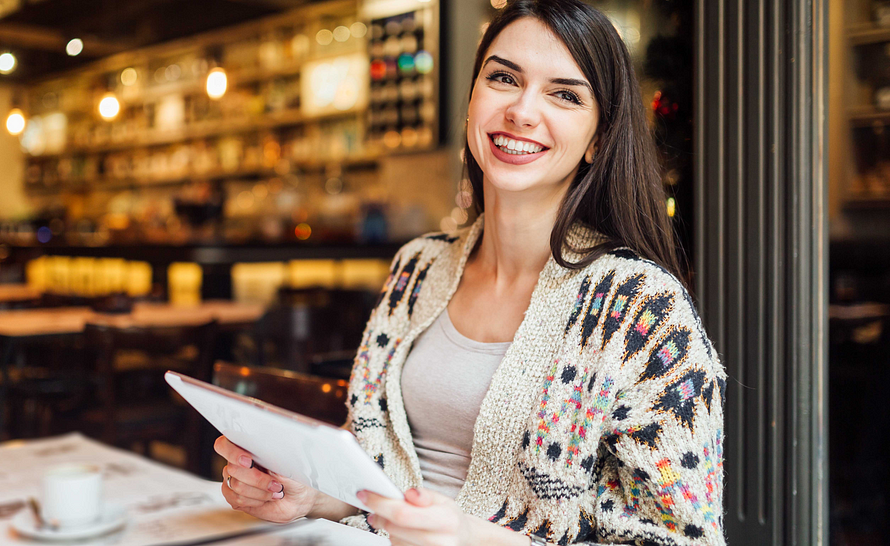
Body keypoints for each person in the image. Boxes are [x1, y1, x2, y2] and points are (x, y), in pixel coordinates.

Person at [214, 0, 726, 544]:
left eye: (565, 94)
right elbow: (383, 480)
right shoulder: (418, 266)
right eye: (504, 78)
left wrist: (466, 535)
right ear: (472, 99)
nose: (523, 111)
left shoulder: (642, 308)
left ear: (599, 139)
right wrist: (316, 495)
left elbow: (680, 539)